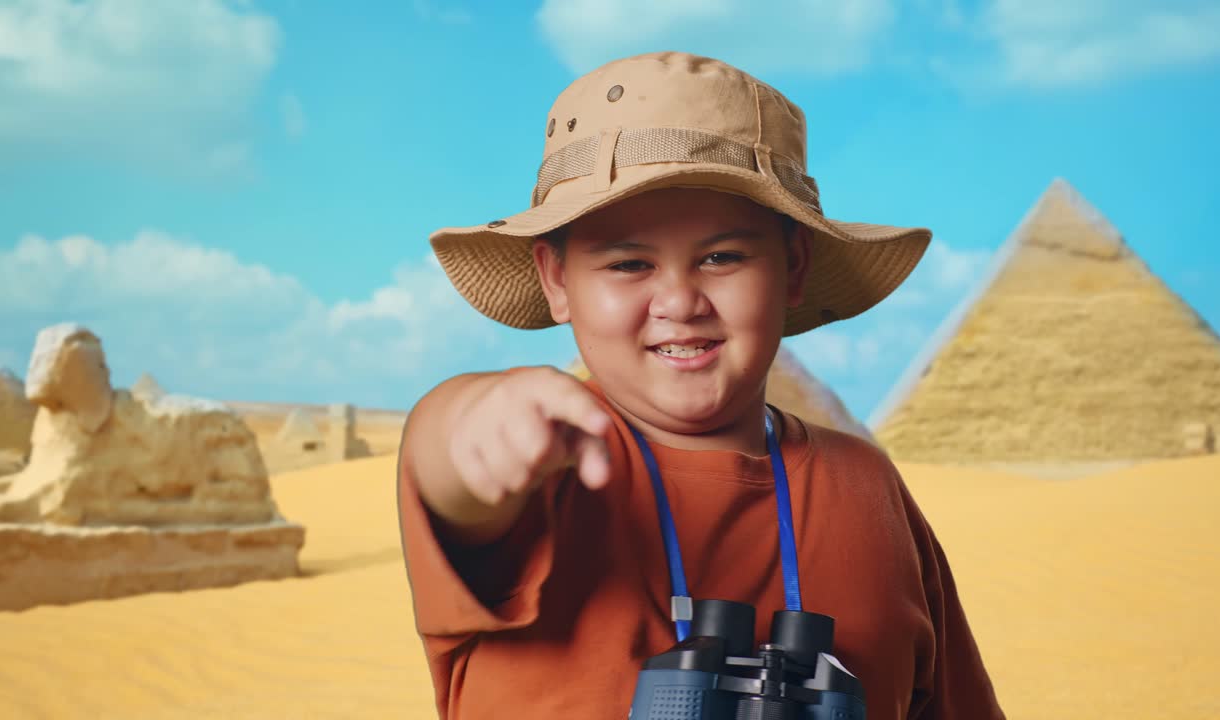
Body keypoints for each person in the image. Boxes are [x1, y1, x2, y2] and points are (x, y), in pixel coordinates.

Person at [397, 51, 1004, 719]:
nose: (680, 302)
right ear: (556, 279)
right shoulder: (542, 476)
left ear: (793, 266)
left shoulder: (868, 485)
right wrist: (471, 422)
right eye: (629, 264)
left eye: (722, 257)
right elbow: (445, 461)